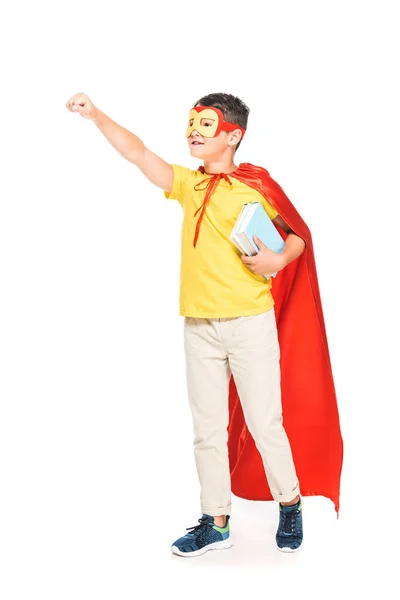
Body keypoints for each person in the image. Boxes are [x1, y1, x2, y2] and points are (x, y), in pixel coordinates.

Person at [65, 91, 343, 557]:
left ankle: (289, 503)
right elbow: (139, 154)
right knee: (207, 428)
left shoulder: (255, 185)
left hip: (250, 324)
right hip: (199, 326)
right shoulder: (188, 185)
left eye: (206, 124)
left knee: (264, 422)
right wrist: (96, 116)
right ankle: (216, 521)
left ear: (233, 136)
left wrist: (277, 257)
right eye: (192, 122)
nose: (194, 130)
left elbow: (297, 236)